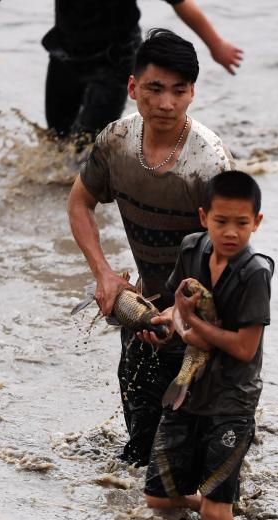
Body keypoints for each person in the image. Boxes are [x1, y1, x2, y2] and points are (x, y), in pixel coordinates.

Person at [67, 29, 234, 467]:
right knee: (140, 455)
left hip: (203, 327)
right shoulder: (116, 141)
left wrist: (185, 316)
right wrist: (104, 273)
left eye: (179, 91)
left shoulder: (210, 163)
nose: (166, 103)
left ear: (193, 93)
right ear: (132, 87)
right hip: (142, 313)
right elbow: (79, 201)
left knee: (200, 463)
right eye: (155, 89)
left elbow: (230, 261)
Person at [137, 170, 272, 520]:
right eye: (221, 221)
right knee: (158, 499)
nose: (231, 232)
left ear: (257, 223)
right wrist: (163, 327)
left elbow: (244, 348)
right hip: (190, 389)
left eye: (242, 223)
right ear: (203, 218)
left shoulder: (255, 274)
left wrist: (191, 321)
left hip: (232, 399)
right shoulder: (191, 249)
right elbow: (173, 308)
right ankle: (215, 500)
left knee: (214, 517)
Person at [0, 0, 242, 139]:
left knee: (87, 142)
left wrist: (215, 44)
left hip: (114, 60)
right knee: (58, 136)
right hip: (66, 52)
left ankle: (85, 197)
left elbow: (180, 3)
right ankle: (58, 200)